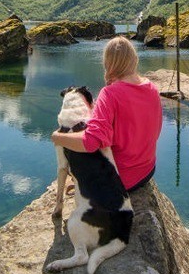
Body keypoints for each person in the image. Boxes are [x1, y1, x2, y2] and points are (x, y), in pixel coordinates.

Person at [51, 36, 162, 193]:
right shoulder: (151, 88)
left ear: (108, 63)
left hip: (118, 180)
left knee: (74, 137)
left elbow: (91, 142)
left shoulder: (110, 94)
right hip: (147, 171)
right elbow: (152, 130)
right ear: (134, 59)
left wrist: (57, 137)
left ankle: (80, 181)